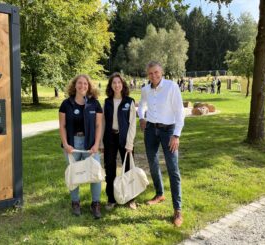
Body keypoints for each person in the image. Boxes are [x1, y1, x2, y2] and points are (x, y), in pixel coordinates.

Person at [138, 61, 185, 227]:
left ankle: (177, 209)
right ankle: (159, 194)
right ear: (147, 75)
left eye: (156, 72)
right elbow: (141, 105)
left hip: (168, 132)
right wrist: (142, 117)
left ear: (162, 72)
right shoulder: (145, 89)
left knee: (173, 169)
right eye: (150, 73)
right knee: (152, 163)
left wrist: (176, 135)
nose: (154, 76)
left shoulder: (172, 87)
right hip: (150, 130)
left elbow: (180, 112)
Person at [59, 74, 103, 219]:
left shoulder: (94, 104)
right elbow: (62, 126)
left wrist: (97, 144)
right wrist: (66, 144)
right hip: (72, 145)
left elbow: (98, 126)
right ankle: (75, 202)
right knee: (74, 173)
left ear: (88, 86)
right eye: (80, 83)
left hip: (90, 145)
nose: (82, 86)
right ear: (75, 85)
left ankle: (95, 203)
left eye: (85, 83)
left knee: (95, 174)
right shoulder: (66, 104)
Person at [101, 73, 137, 211]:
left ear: (123, 85)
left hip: (125, 139)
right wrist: (101, 143)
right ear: (111, 85)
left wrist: (130, 143)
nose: (117, 85)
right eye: (114, 83)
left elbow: (132, 123)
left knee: (128, 169)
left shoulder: (129, 101)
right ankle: (111, 199)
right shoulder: (107, 102)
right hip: (110, 138)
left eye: (119, 82)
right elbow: (103, 123)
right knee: (110, 169)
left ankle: (131, 199)